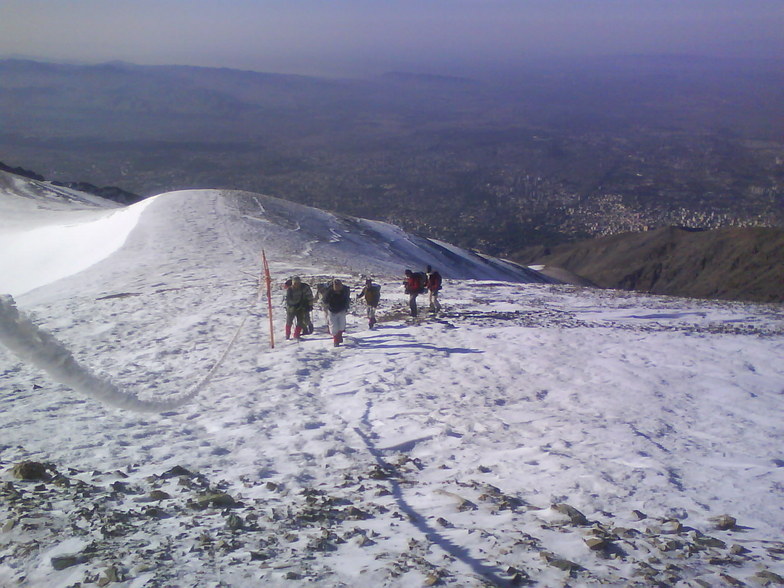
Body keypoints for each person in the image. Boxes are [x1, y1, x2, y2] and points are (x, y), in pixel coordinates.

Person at [323, 278, 351, 347]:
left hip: (341, 310)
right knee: (334, 327)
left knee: (341, 326)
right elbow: (325, 300)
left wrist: (346, 307)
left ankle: (339, 336)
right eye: (336, 285)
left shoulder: (344, 292)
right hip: (332, 311)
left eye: (338, 285)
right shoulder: (329, 292)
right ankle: (336, 340)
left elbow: (347, 300)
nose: (337, 286)